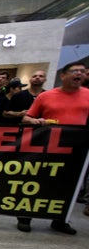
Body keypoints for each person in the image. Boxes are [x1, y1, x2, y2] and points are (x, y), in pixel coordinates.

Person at [18, 62, 89, 234]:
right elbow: (27, 118)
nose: (78, 74)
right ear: (63, 76)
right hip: (48, 146)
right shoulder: (46, 96)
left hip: (76, 148)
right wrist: (36, 121)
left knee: (67, 185)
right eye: (74, 71)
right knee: (38, 182)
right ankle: (25, 216)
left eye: (82, 71)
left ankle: (60, 220)